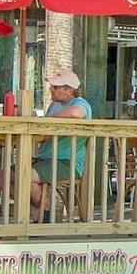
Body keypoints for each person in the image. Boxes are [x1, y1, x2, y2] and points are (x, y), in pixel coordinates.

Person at [29, 68, 92, 223]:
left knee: (24, 176)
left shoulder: (80, 103)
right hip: (44, 159)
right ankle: (43, 209)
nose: (51, 89)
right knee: (2, 176)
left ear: (69, 90)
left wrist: (50, 120)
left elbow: (76, 113)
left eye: (55, 87)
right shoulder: (54, 105)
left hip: (66, 162)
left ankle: (42, 213)